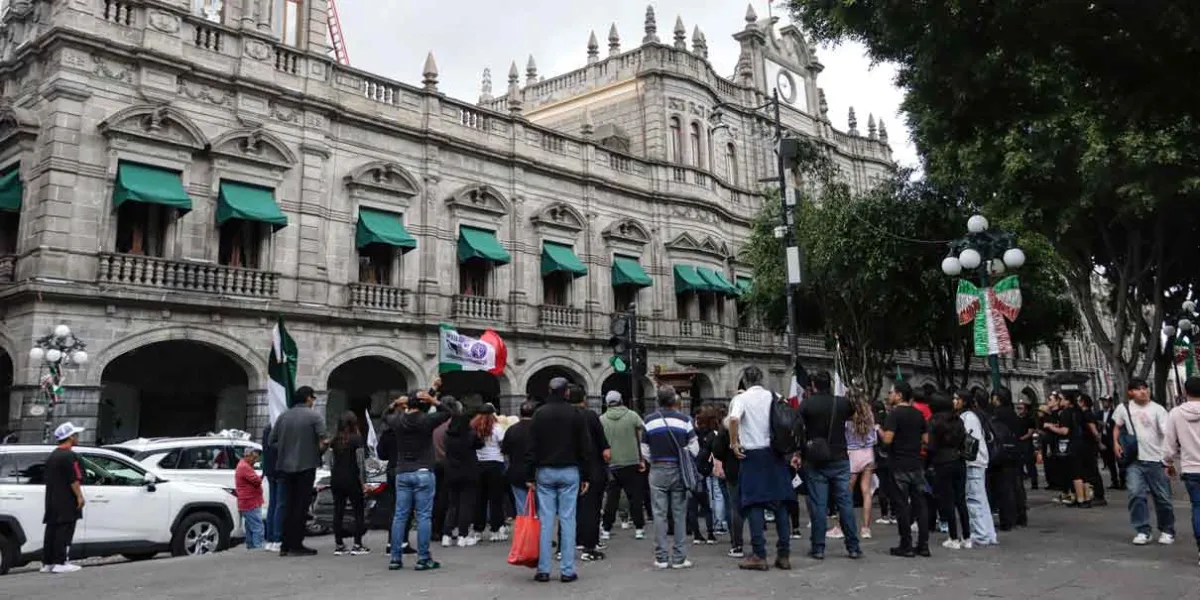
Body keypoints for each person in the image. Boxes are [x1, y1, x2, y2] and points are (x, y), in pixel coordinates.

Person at [526, 376, 594, 583]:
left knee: (546, 520)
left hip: (545, 471)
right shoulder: (576, 414)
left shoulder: (539, 414)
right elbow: (585, 447)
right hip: (570, 470)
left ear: (549, 390)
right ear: (566, 392)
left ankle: (544, 569)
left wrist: (530, 475)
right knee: (568, 519)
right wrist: (587, 475)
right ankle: (567, 570)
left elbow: (532, 447)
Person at [797, 371, 862, 562]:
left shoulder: (807, 404)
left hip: (816, 459)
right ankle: (853, 547)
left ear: (813, 386)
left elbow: (798, 427)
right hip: (840, 457)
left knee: (819, 505)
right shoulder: (842, 403)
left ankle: (818, 548)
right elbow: (853, 412)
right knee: (845, 503)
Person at [386, 389, 452, 570]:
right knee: (423, 516)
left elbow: (386, 415)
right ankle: (423, 558)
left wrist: (395, 403)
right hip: (424, 469)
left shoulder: (397, 421)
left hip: (402, 471)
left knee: (400, 516)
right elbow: (447, 413)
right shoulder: (426, 420)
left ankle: (395, 558)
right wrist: (434, 400)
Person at [1113, 377, 1175, 546]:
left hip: (1156, 459)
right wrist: (1116, 443)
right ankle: (1142, 530)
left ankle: (1167, 529)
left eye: (1145, 388)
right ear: (1131, 392)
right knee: (1135, 493)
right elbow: (1117, 426)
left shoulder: (1158, 410)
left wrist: (1168, 460)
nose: (1143, 391)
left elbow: (1168, 434)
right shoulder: (1123, 408)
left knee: (1162, 498)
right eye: (1139, 389)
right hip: (1134, 460)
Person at [643, 384, 699, 570]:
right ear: (674, 400)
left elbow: (644, 450)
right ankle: (679, 557)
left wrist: (655, 460)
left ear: (658, 400)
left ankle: (661, 557)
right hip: (678, 469)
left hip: (657, 469)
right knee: (679, 513)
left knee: (659, 514)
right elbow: (695, 448)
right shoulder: (685, 420)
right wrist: (684, 457)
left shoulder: (649, 421)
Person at [269, 386, 327, 557]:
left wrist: (285, 450)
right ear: (308, 398)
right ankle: (296, 544)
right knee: (301, 506)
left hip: (284, 467)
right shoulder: (314, 416)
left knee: (287, 504)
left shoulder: (283, 416)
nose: (313, 402)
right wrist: (317, 452)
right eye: (312, 399)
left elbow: (272, 441)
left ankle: (284, 544)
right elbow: (323, 440)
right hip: (306, 466)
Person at [881, 381, 930, 557]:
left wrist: (880, 430)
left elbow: (887, 440)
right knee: (920, 505)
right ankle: (923, 545)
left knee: (901, 505)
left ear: (899, 395)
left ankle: (906, 544)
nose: (889, 395)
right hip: (916, 464)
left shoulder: (894, 415)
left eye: (891, 392)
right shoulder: (919, 415)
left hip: (899, 466)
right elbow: (926, 440)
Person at [600, 390, 647, 541]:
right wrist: (641, 458)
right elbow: (641, 434)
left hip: (611, 463)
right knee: (634, 497)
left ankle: (606, 529)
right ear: (621, 400)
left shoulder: (602, 419)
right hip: (631, 461)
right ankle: (639, 528)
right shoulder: (632, 416)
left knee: (612, 498)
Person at [1163, 376, 1200, 566]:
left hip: (1191, 468)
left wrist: (1168, 463)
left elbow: (1169, 443)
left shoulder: (1176, 414)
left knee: (1198, 507)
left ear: (1186, 392)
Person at [571, 384, 610, 561]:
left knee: (568, 508)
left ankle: (568, 544)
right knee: (592, 507)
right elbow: (604, 447)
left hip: (568, 467)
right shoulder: (591, 416)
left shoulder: (564, 416)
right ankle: (590, 545)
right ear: (584, 399)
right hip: (593, 467)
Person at [927, 393, 970, 550]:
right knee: (961, 499)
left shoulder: (934, 421)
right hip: (959, 460)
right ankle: (967, 536)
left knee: (948, 501)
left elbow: (931, 446)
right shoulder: (957, 420)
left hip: (942, 462)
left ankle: (953, 537)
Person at [42, 422, 85, 573]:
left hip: (52, 499)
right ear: (70, 437)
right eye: (76, 435)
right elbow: (74, 479)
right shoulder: (70, 456)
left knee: (52, 529)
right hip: (67, 499)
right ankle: (61, 561)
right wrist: (79, 496)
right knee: (65, 530)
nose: (78, 437)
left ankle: (48, 563)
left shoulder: (53, 456)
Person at [957, 388, 998, 547]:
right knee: (981, 499)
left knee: (973, 499)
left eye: (957, 399)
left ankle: (980, 534)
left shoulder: (967, 417)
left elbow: (968, 439)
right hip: (979, 461)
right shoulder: (977, 416)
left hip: (972, 462)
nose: (955, 402)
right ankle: (988, 533)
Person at [443, 398, 482, 547]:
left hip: (451, 472)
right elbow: (480, 443)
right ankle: (462, 535)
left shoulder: (448, 437)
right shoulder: (470, 435)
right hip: (469, 472)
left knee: (452, 504)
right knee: (465, 504)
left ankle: (446, 535)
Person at [329, 411, 369, 555]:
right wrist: (364, 481)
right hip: (352, 479)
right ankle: (357, 544)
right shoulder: (357, 439)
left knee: (338, 511)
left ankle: (339, 544)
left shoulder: (334, 441)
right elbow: (360, 462)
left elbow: (331, 463)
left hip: (336, 479)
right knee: (358, 511)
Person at [471, 403, 508, 542]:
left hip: (479, 464)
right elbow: (503, 446)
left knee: (479, 498)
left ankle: (477, 530)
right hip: (495, 464)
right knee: (496, 499)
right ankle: (496, 529)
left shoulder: (473, 427)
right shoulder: (497, 428)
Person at [711, 410, 745, 558]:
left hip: (733, 469)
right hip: (753, 468)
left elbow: (717, 451)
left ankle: (737, 544)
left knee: (734, 507)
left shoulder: (726, 427)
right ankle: (758, 543)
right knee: (756, 506)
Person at [846, 392, 878, 540]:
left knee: (847, 492)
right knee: (866, 492)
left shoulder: (847, 417)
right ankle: (866, 528)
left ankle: (842, 525)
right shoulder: (869, 416)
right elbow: (874, 438)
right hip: (868, 453)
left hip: (852, 453)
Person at [501, 400, 536, 517]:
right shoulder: (539, 429)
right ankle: (539, 532)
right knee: (540, 506)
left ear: (520, 413)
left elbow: (504, 450)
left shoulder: (512, 430)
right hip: (536, 472)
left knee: (521, 506)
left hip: (516, 471)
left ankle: (525, 532)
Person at [235, 447, 265, 551]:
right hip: (250, 502)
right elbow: (256, 480)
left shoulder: (243, 465)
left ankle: (251, 548)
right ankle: (258, 548)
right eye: (254, 458)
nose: (255, 460)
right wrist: (261, 476)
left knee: (250, 527)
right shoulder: (244, 467)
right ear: (248, 455)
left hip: (246, 502)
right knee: (258, 527)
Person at [261, 423, 284, 552]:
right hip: (280, 469)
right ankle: (277, 538)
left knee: (273, 504)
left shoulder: (267, 429)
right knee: (281, 504)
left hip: (270, 470)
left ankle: (270, 539)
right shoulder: (280, 427)